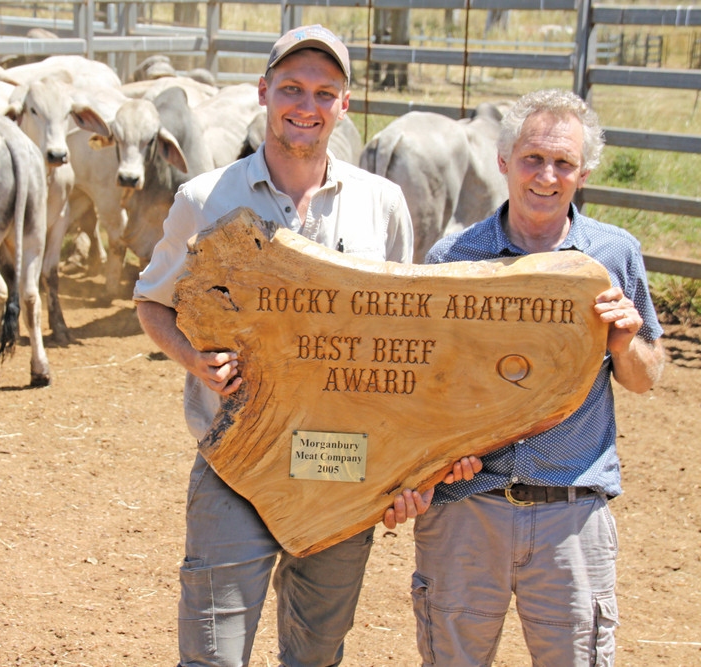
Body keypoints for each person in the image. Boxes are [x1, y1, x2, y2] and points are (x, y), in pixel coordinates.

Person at [134, 24, 480, 667]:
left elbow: (400, 336)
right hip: (236, 457)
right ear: (264, 92)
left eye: (325, 92)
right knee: (212, 651)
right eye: (291, 87)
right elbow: (153, 300)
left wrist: (405, 461)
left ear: (344, 105)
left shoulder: (382, 204)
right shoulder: (206, 198)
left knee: (316, 653)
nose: (306, 105)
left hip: (343, 465)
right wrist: (192, 359)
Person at [414, 88, 666, 666]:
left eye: (563, 162)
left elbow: (646, 377)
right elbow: (427, 387)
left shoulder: (614, 254)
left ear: (584, 171)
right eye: (532, 158)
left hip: (570, 510)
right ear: (503, 161)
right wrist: (437, 455)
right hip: (466, 507)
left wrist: (625, 343)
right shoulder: (454, 259)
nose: (546, 175)